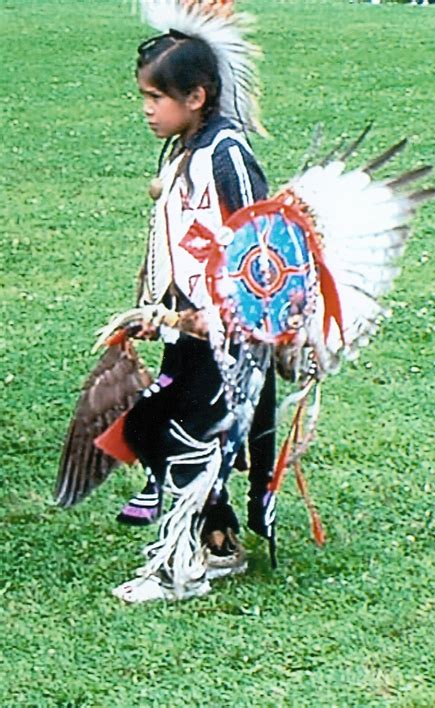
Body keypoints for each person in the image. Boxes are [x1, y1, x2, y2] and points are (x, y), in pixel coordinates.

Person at [111, 24, 276, 603]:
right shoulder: (190, 149)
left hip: (226, 334)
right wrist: (161, 310)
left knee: (189, 441)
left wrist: (231, 319)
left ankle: (182, 569)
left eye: (156, 98)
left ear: (196, 97)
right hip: (190, 327)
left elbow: (262, 249)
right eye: (145, 98)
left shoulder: (226, 155)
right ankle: (219, 543)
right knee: (160, 427)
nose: (148, 110)